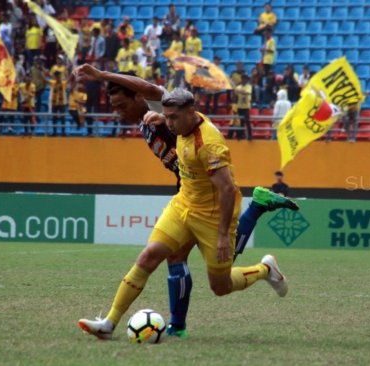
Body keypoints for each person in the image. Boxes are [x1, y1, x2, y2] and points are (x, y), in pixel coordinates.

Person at [73, 65, 298, 338]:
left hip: (213, 208)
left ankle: (264, 265)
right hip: (185, 198)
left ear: (138, 99)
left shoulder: (201, 137)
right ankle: (111, 324)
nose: (117, 112)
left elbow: (226, 189)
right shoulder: (165, 115)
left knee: (220, 284)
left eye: (121, 105)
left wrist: (102, 75)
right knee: (154, 255)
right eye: (165, 117)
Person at [234, 73, 253, 140]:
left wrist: (240, 91)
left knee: (247, 121)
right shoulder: (238, 87)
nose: (244, 80)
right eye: (243, 78)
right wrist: (238, 91)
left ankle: (250, 135)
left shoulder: (249, 86)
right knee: (240, 122)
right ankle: (241, 135)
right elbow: (235, 93)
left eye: (245, 79)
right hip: (239, 106)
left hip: (246, 107)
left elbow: (247, 92)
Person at [49, 71, 67, 136]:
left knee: (63, 118)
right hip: (54, 103)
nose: (58, 78)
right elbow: (44, 80)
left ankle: (63, 132)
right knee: (54, 118)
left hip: (62, 103)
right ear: (55, 77)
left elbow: (70, 79)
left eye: (59, 76)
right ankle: (54, 132)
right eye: (56, 76)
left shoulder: (63, 83)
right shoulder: (52, 83)